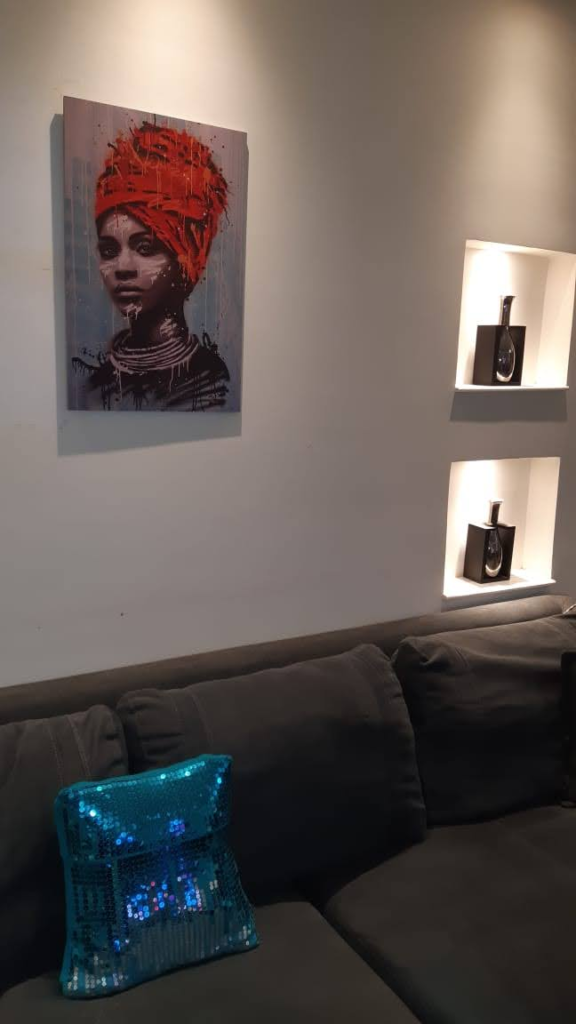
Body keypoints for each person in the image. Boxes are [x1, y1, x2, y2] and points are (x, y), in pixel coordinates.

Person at [73, 122, 230, 411]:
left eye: (145, 248)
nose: (122, 267)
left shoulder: (214, 384)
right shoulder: (93, 386)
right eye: (109, 251)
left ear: (185, 259)